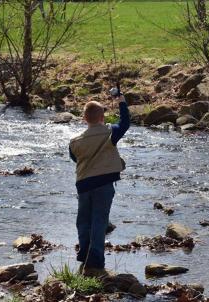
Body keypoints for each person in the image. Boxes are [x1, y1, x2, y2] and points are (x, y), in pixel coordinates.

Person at [69, 94, 130, 277]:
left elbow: (75, 159)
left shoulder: (75, 141)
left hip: (84, 184)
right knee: (99, 221)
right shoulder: (110, 132)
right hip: (104, 183)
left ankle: (84, 253)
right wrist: (122, 102)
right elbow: (125, 123)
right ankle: (95, 259)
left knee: (83, 221)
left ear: (84, 119)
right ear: (102, 118)